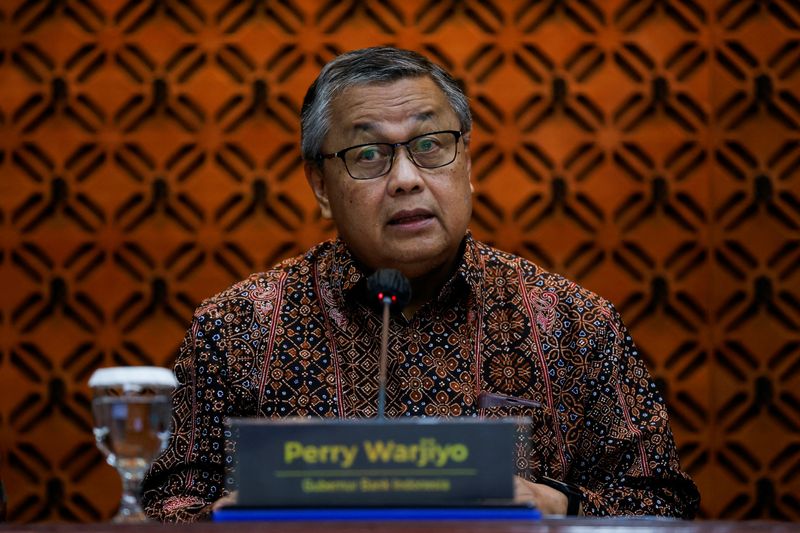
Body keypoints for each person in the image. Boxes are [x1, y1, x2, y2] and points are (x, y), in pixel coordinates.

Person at [141, 46, 700, 522]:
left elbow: (662, 505)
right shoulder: (237, 327)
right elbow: (168, 504)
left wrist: (555, 504)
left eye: (431, 145)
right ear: (319, 185)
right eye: (368, 155)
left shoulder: (574, 323)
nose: (406, 179)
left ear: (467, 160)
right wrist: (234, 515)